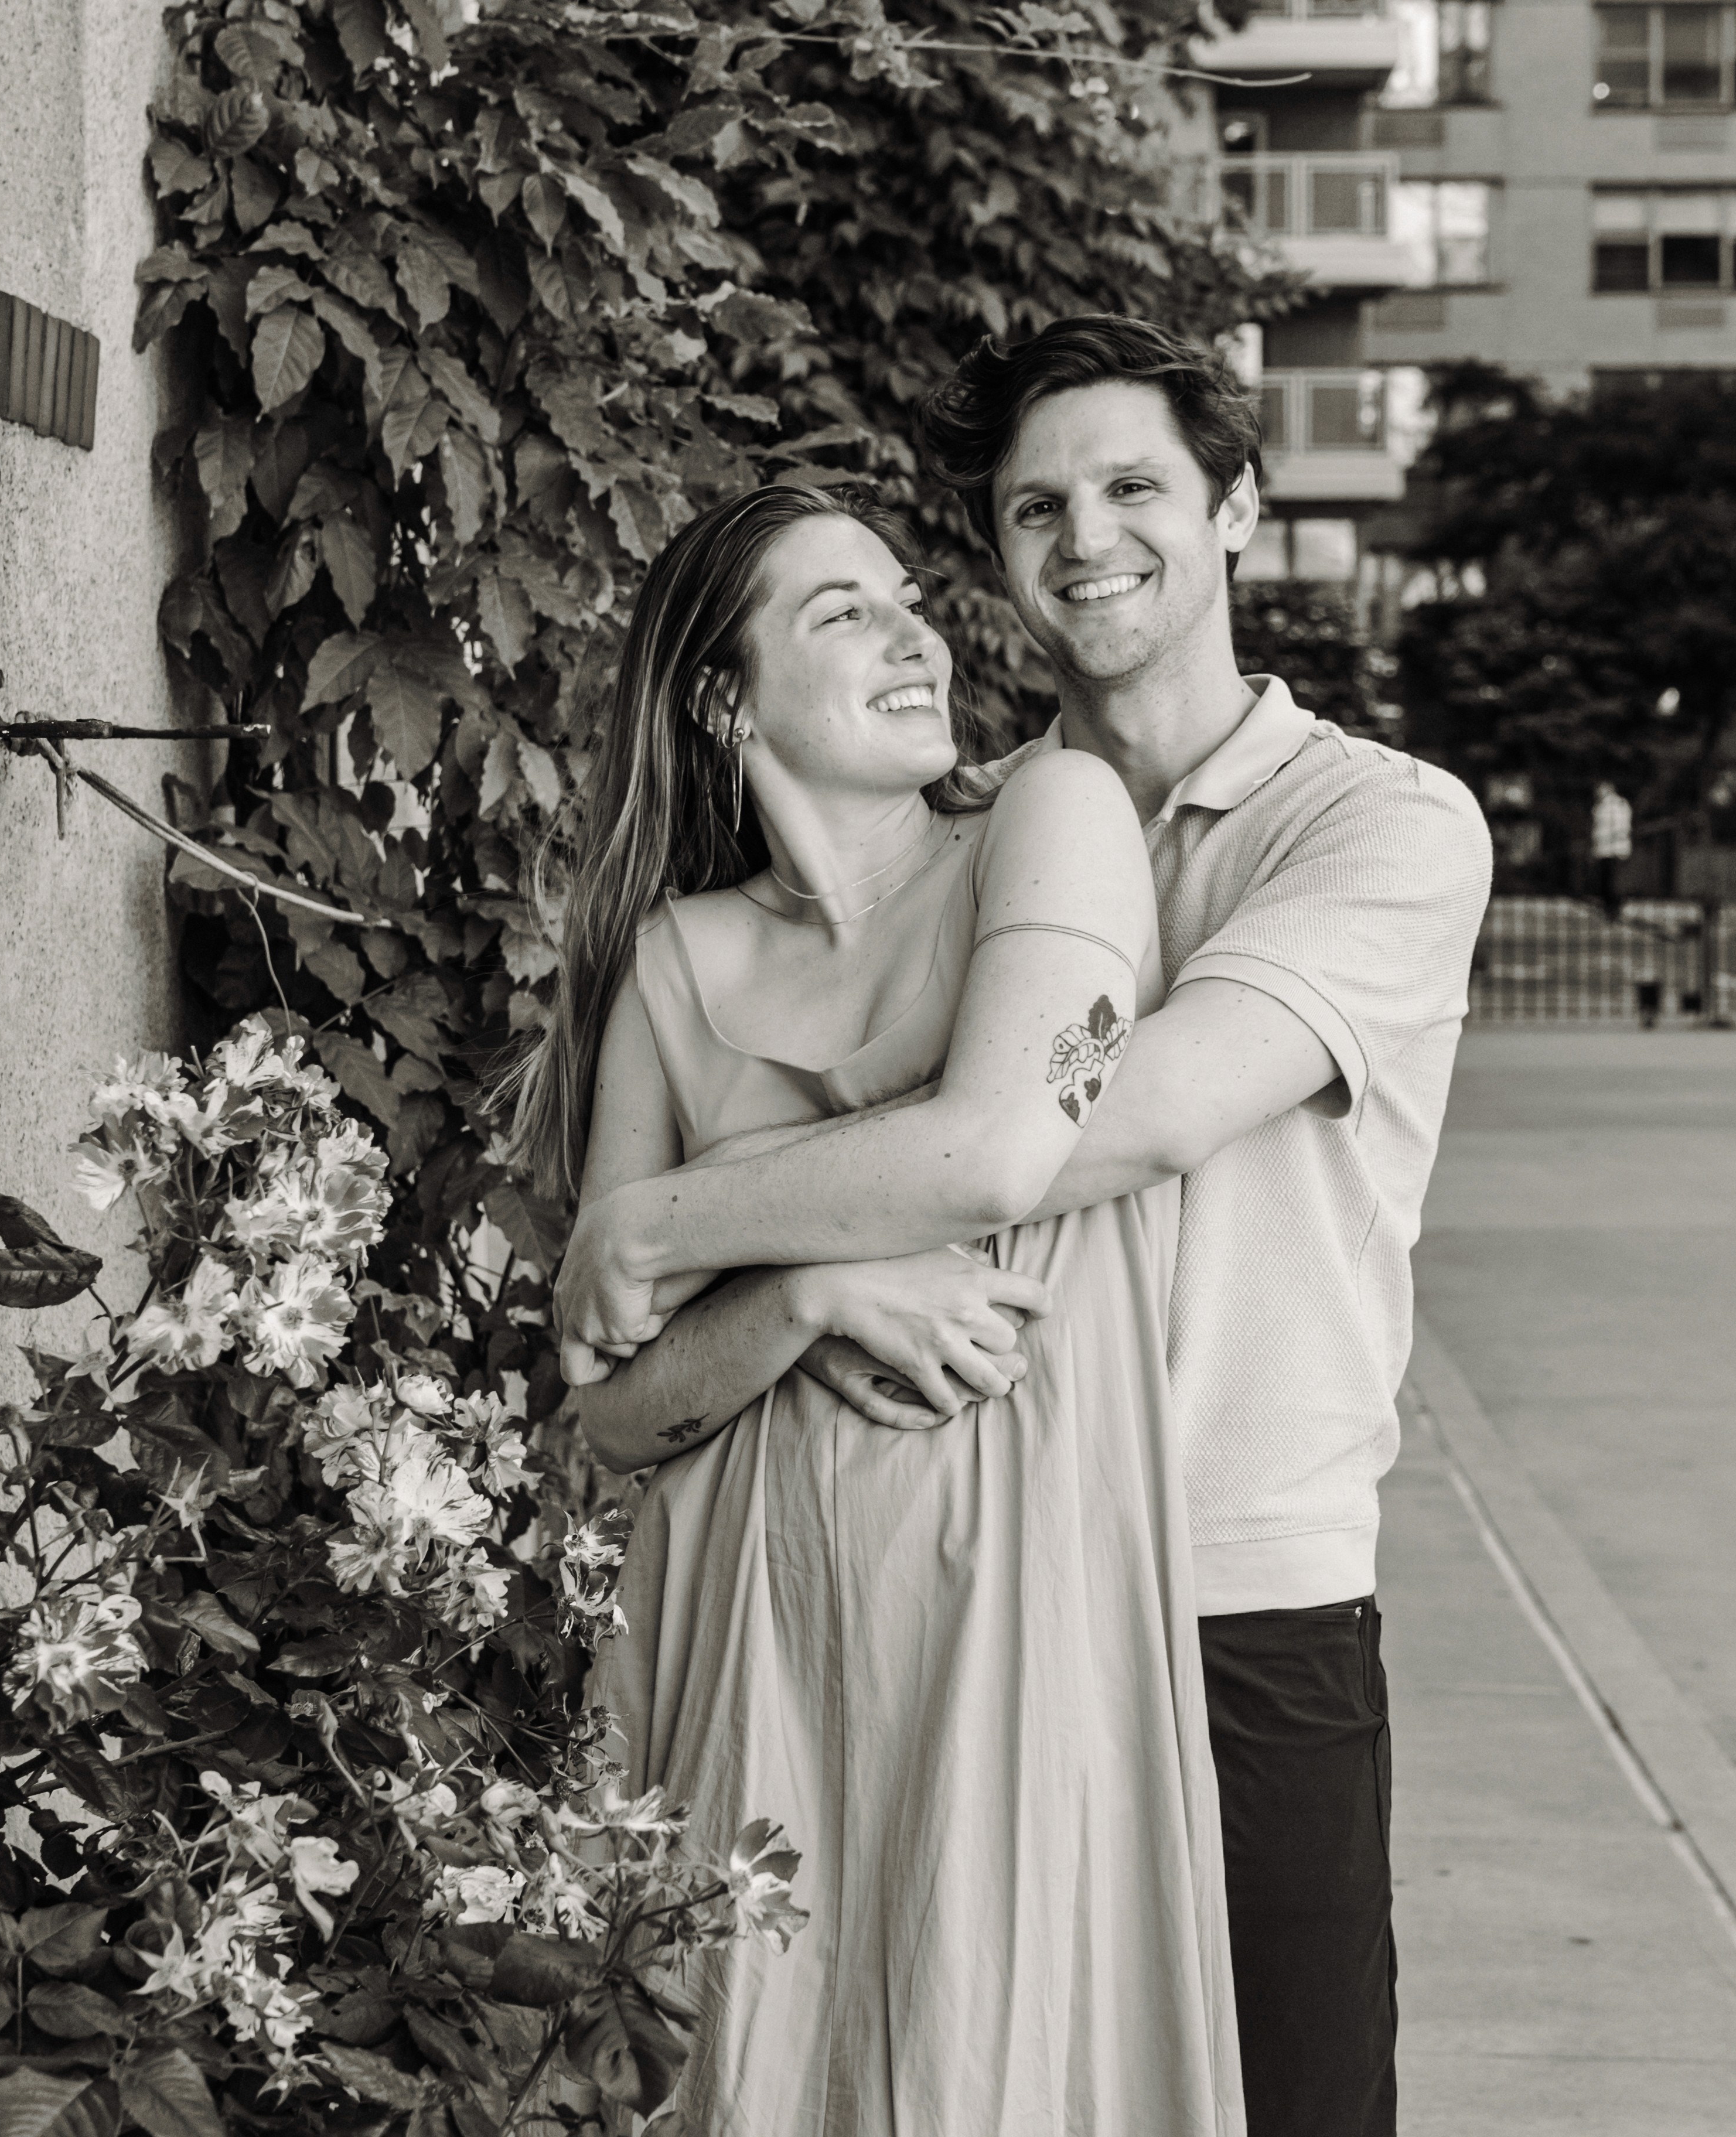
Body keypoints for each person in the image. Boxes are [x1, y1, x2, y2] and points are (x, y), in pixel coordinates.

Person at [555, 315, 1493, 2137]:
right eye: (1034, 506)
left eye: (1138, 486)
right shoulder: (953, 828)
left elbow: (1087, 1123)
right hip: (941, 1590)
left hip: (1238, 1576)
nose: (1089, 537)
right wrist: (810, 1269)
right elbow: (638, 1383)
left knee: (1290, 2103)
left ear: (1234, 510)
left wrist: (663, 1221)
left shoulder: (1375, 824)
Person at [513, 479, 1242, 2133]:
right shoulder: (679, 965)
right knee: (738, 2075)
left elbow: (994, 1151)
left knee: (993, 2057)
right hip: (727, 1626)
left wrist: (658, 1221)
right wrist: (813, 1291)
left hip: (1007, 1599)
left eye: (908, 596)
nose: (918, 632)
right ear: (726, 699)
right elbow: (606, 1418)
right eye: (842, 613)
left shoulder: (1051, 820)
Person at [1588, 781, 1634, 916]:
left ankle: (1613, 908)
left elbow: (1620, 828)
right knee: (1608, 881)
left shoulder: (1615, 805)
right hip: (1607, 849)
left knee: (1611, 881)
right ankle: (1610, 907)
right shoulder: (1603, 805)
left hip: (1612, 849)